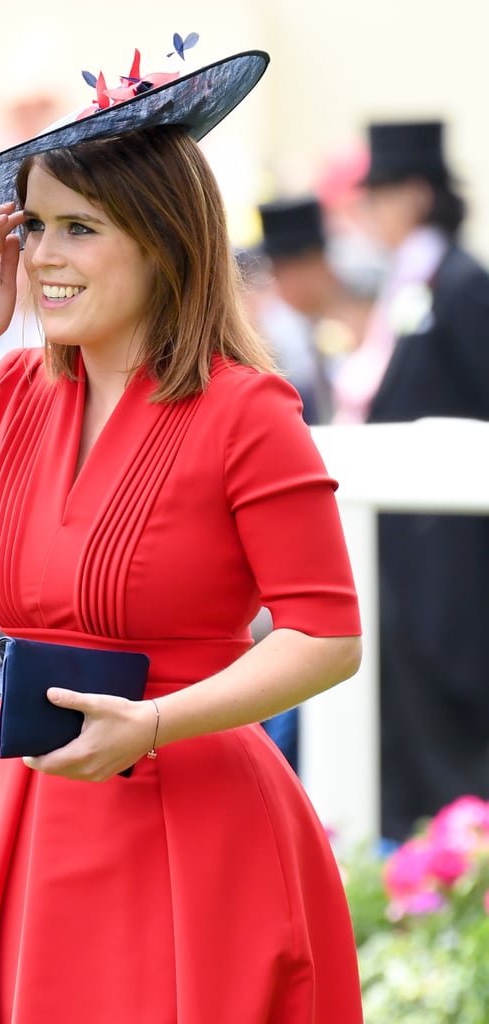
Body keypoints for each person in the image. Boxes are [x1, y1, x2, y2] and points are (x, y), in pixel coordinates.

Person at [0, 43, 364, 1023]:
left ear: (163, 242)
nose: (43, 257)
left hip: (193, 811)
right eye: (34, 226)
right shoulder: (9, 397)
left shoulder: (249, 412)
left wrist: (159, 721)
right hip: (24, 803)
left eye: (79, 228)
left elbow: (327, 634)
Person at [332, 119, 489, 844]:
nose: (369, 211)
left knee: (452, 703)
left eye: (382, 194)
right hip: (398, 545)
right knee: (405, 700)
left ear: (418, 196)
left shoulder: (458, 282)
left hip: (452, 549)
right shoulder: (405, 285)